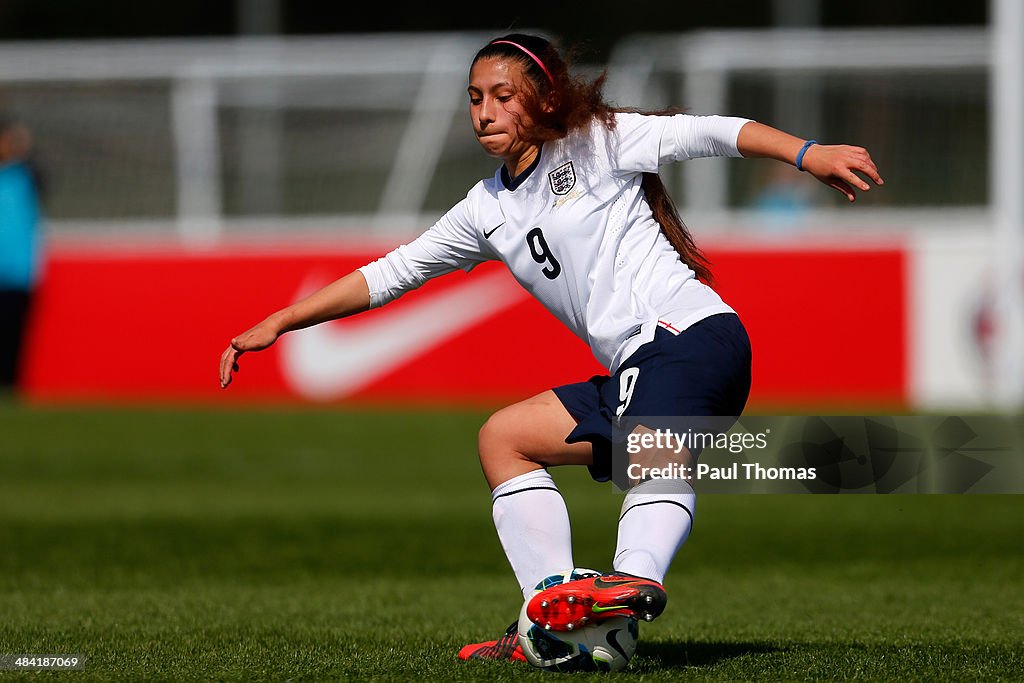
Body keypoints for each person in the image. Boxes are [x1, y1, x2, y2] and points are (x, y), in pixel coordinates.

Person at [218, 33, 883, 662]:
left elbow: (706, 131)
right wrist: (284, 319)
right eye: (475, 97)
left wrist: (807, 152)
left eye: (502, 95)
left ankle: (632, 582)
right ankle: (549, 615)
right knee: (503, 438)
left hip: (691, 337)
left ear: (545, 97)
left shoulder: (596, 142)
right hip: (642, 365)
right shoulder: (486, 208)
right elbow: (394, 271)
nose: (484, 112)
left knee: (655, 448)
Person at [0, 115, 44, 392]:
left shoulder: (25, 174)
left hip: (18, 271)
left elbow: (43, 174)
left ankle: (10, 386)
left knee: (14, 334)